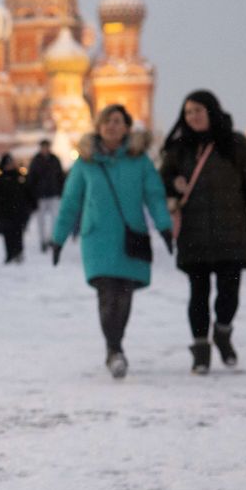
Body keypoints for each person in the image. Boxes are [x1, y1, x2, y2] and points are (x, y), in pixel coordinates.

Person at [51, 105, 175, 377]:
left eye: (117, 121)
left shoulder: (140, 161)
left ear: (127, 127)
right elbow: (71, 203)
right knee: (108, 293)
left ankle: (115, 346)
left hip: (130, 236)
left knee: (125, 294)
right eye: (107, 121)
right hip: (97, 238)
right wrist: (58, 238)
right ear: (98, 126)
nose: (112, 126)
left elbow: (154, 196)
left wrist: (165, 227)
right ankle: (114, 349)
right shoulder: (86, 162)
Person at [159, 90, 246, 374]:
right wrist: (174, 185)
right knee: (198, 293)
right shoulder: (178, 149)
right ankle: (200, 350)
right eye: (188, 112)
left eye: (198, 110)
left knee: (228, 293)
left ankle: (222, 332)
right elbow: (161, 184)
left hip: (230, 231)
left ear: (211, 111)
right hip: (194, 233)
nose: (193, 117)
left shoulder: (234, 145)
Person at [0, 153, 31, 263]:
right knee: (8, 234)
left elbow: (26, 193)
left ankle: (18, 253)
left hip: (18, 211)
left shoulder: (19, 177)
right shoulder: (0, 179)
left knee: (18, 233)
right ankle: (10, 254)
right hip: (5, 211)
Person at [26, 139, 65, 252]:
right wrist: (33, 194)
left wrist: (60, 190)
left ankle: (52, 239)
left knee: (55, 218)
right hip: (40, 195)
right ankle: (43, 241)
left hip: (53, 193)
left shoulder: (54, 159)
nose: (45, 149)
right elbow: (31, 179)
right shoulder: (36, 161)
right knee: (41, 220)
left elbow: (60, 176)